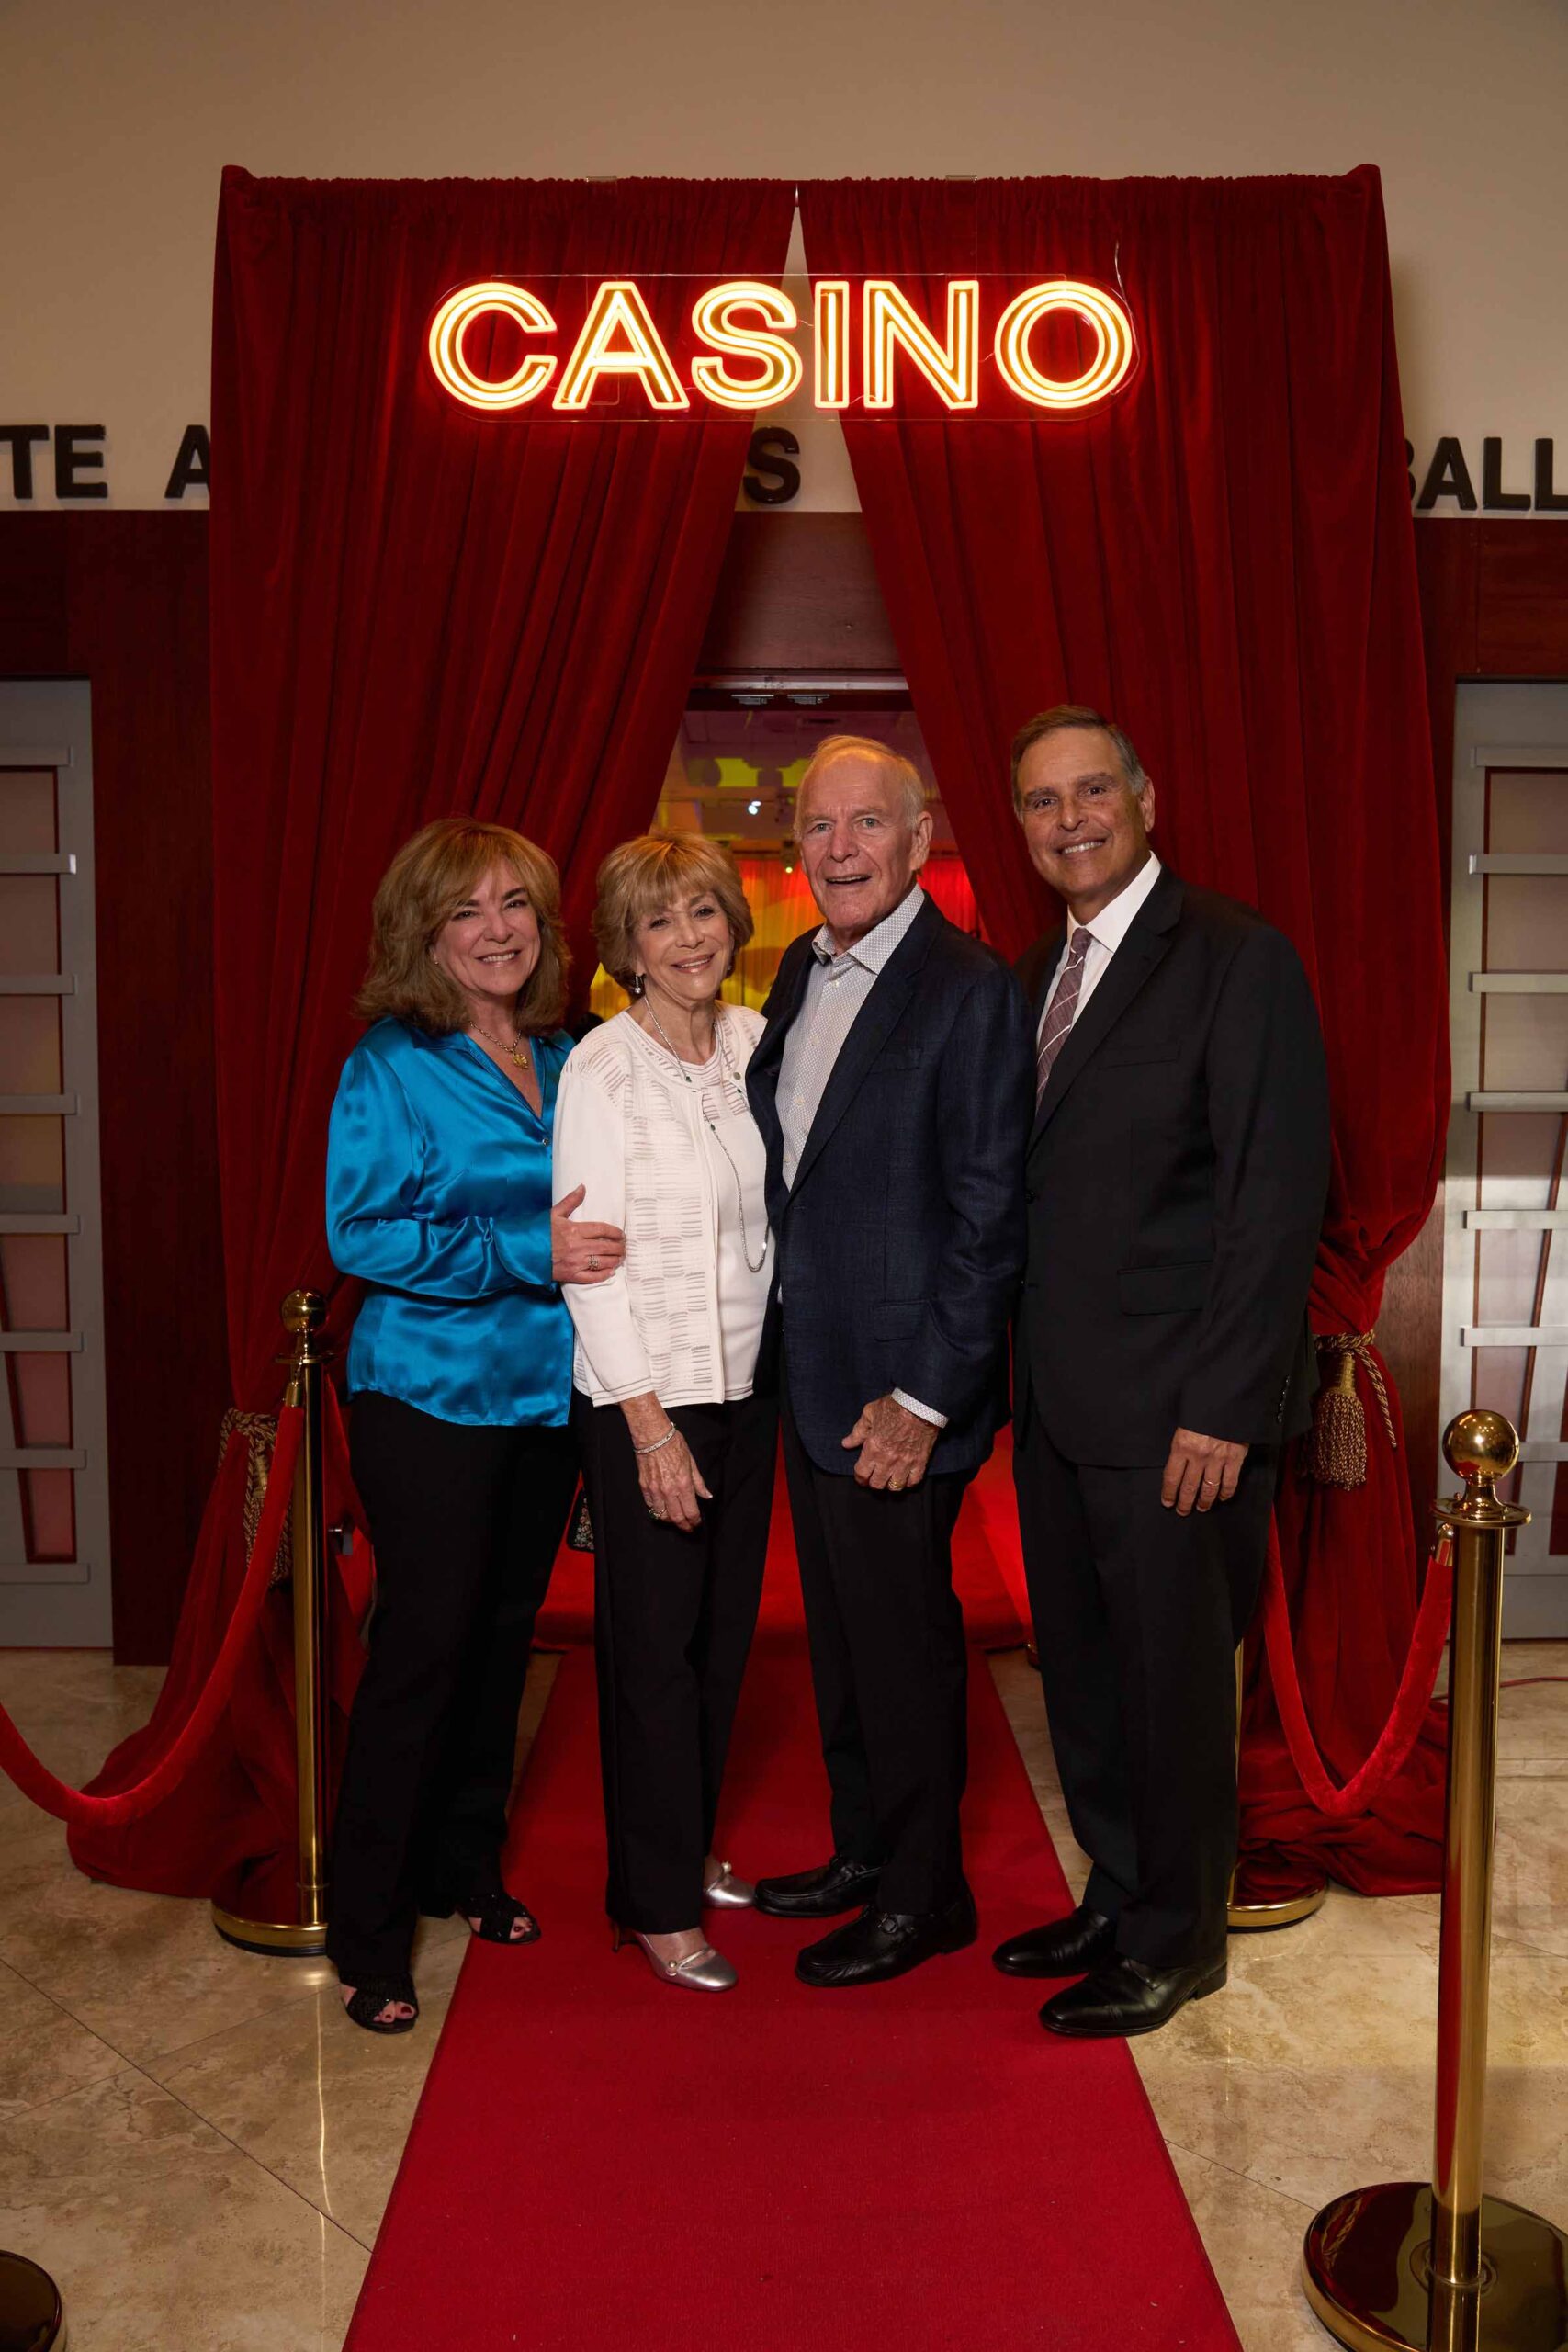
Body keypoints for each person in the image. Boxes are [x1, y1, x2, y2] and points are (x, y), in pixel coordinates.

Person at [993, 705, 1330, 2038]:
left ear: (1144, 800)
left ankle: (1180, 1939)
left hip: (1180, 1415)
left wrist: (1223, 1410)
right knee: (1084, 1678)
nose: (1068, 819)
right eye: (1041, 802)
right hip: (1058, 1404)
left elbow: (1272, 1200)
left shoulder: (1237, 958)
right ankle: (1120, 1891)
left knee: (1174, 1687)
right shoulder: (1034, 972)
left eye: (1091, 791)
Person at [325, 818, 624, 2033]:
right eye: (467, 911)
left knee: (503, 1641)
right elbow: (362, 1234)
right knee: (425, 1648)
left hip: (547, 1396)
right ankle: (370, 1930)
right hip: (427, 1396)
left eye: (514, 904)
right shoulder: (390, 1063)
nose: (497, 930)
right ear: (425, 933)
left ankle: (465, 1865)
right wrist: (523, 1249)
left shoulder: (569, 1050)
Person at [746, 737, 1034, 1988]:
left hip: (897, 1396)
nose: (841, 848)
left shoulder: (967, 989)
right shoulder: (796, 973)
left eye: (868, 823)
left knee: (905, 1651)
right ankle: (865, 1850)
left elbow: (989, 1217)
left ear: (919, 841)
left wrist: (923, 1399)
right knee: (846, 1644)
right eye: (819, 826)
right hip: (811, 1375)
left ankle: (925, 1898)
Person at [552, 832, 775, 1995]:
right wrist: (646, 1426)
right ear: (626, 948)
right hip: (649, 1394)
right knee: (651, 1655)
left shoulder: (754, 1042)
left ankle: (685, 1843)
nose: (689, 938)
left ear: (733, 922)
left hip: (753, 1388)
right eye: (659, 920)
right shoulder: (603, 1067)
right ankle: (651, 1901)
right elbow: (588, 1265)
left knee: (719, 1640)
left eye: (703, 912)